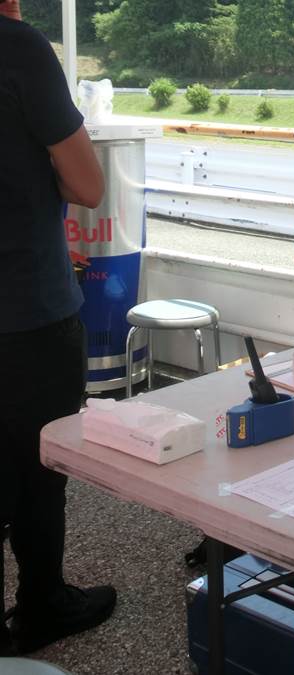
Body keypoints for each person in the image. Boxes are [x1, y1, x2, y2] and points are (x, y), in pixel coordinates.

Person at [0, 0, 117, 655]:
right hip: (27, 310)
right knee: (40, 465)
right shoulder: (19, 48)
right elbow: (88, 183)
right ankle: (42, 603)